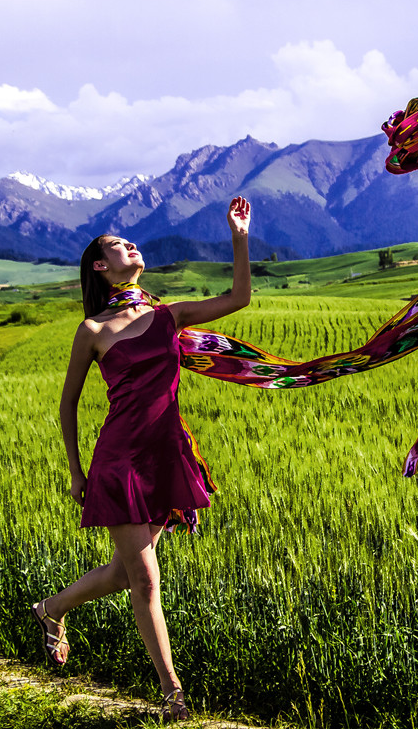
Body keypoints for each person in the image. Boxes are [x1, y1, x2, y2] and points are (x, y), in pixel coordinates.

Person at [31, 196, 252, 721]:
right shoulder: (92, 332)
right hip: (121, 461)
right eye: (114, 244)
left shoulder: (167, 315)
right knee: (146, 580)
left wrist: (239, 236)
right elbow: (68, 404)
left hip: (165, 455)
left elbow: (239, 296)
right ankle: (174, 697)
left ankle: (51, 608)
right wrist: (76, 470)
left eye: (129, 239)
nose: (129, 242)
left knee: (126, 572)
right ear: (100, 268)